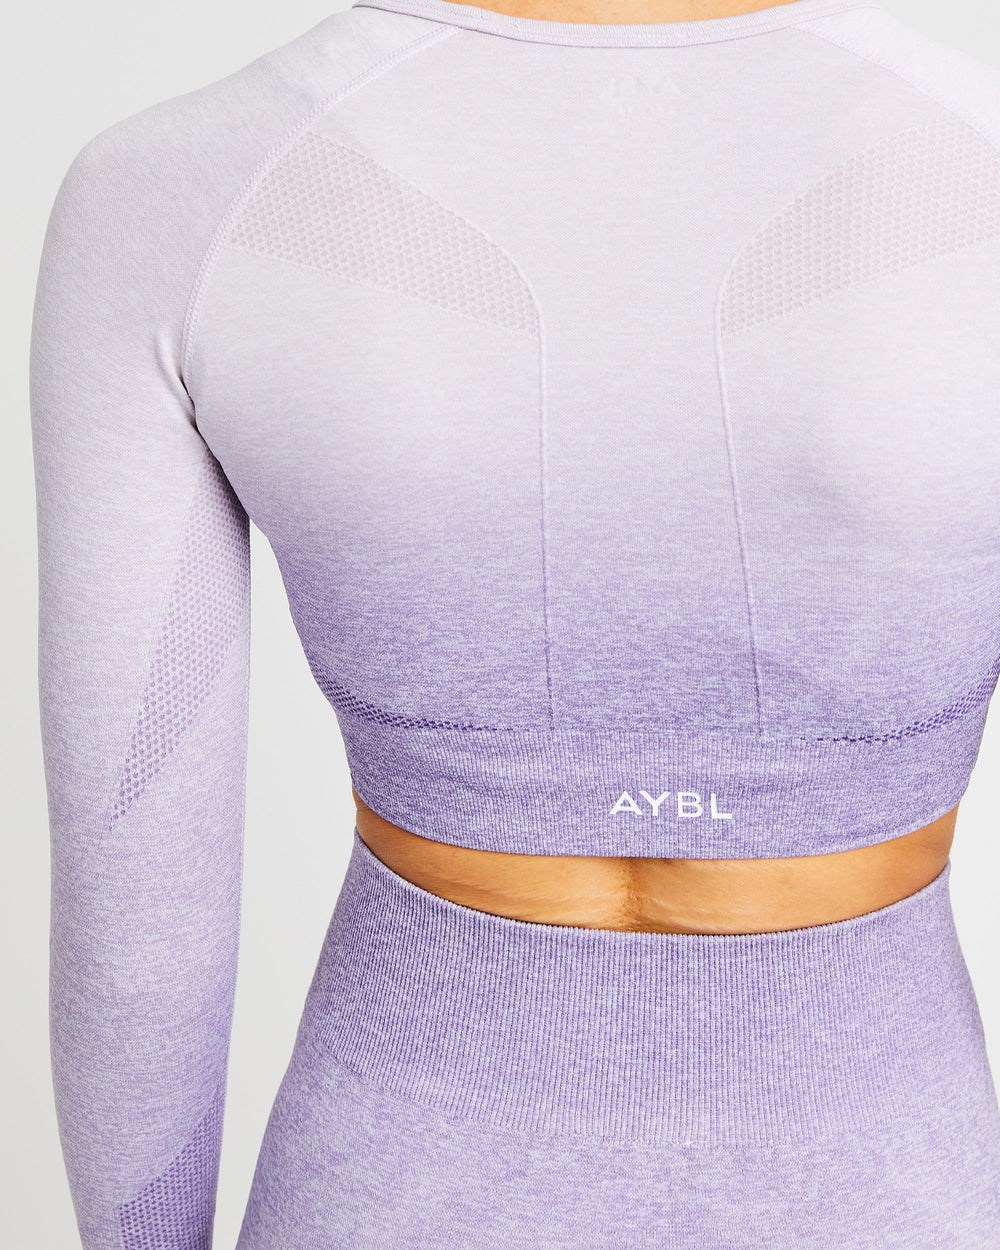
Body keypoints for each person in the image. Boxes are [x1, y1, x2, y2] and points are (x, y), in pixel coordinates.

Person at [28, 0, 1000, 1244]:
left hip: (386, 1183)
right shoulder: (966, 148)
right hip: (897, 1183)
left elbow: (136, 879)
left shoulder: (187, 181)